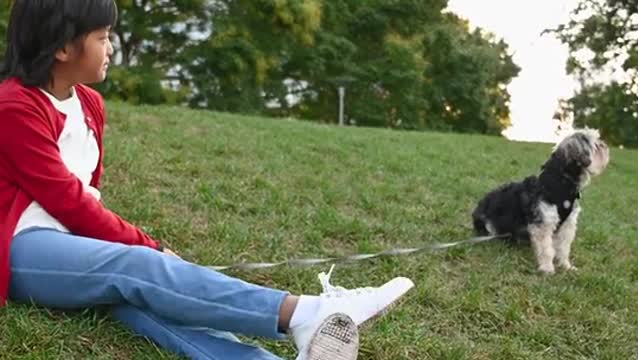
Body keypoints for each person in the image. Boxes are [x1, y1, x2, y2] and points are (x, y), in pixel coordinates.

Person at [0, 1, 415, 359]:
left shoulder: (90, 103)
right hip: (22, 248)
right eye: (103, 37)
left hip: (75, 246)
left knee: (154, 300)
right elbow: (69, 201)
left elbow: (91, 193)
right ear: (62, 46)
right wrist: (154, 247)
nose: (110, 49)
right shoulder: (15, 107)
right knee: (138, 267)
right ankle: (304, 313)